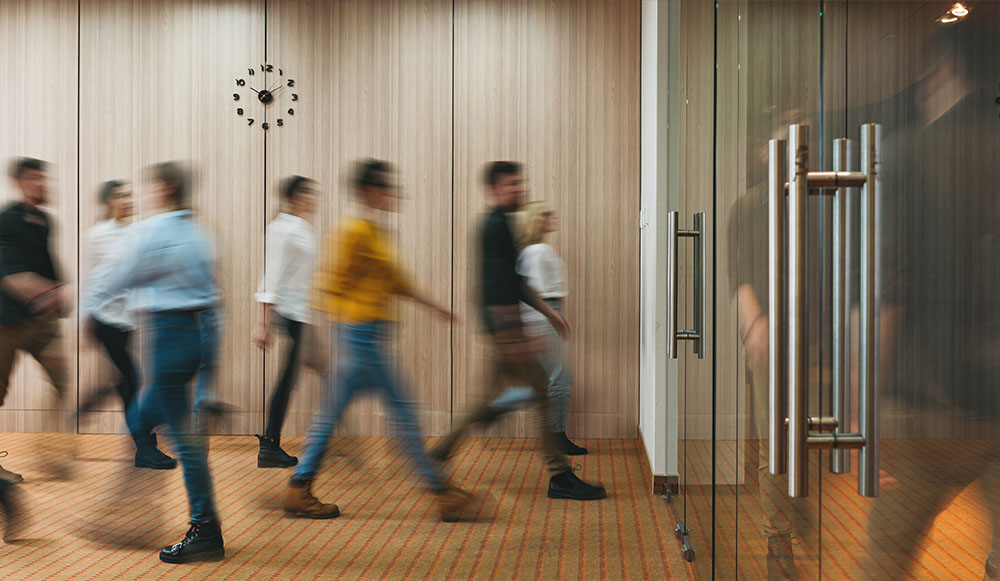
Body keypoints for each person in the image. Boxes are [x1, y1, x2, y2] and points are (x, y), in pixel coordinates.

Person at [283, 159, 471, 522]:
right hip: (358, 339)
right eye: (387, 187)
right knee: (403, 412)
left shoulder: (374, 231)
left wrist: (433, 306)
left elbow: (394, 281)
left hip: (364, 337)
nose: (393, 194)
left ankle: (299, 487)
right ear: (371, 190)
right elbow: (326, 286)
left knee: (330, 416)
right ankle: (442, 493)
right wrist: (318, 341)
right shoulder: (350, 231)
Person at [429, 161, 605, 501]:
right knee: (539, 393)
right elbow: (494, 290)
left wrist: (550, 315)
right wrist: (514, 337)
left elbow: (516, 284)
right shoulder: (493, 227)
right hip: (504, 333)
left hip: (504, 332)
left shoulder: (503, 226)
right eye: (512, 184)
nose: (519, 189)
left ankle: (440, 452)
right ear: (494, 189)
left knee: (492, 399)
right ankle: (559, 475)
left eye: (520, 183)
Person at [83, 161, 223, 564]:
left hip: (166, 342)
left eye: (146, 188)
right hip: (196, 335)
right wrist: (210, 373)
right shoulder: (199, 233)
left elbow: (115, 277)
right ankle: (126, 514)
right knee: (143, 422)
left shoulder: (152, 231)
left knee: (183, 440)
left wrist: (84, 317)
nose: (140, 195)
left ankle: (204, 528)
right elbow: (215, 297)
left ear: (164, 188)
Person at [79, 180, 175, 469]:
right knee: (132, 380)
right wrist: (85, 320)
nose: (127, 200)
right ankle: (145, 448)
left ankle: (94, 402)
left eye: (129, 195)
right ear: (108, 202)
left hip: (128, 321)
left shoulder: (135, 233)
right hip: (105, 319)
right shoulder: (99, 235)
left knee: (126, 381)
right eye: (121, 196)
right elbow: (96, 280)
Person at [488, 201, 586, 455]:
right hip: (544, 317)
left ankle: (496, 406)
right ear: (535, 220)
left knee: (543, 382)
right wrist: (555, 318)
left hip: (545, 316)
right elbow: (535, 294)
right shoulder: (536, 252)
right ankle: (556, 436)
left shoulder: (535, 250)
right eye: (545, 214)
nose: (551, 217)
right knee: (561, 379)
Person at [0, 157, 72, 486]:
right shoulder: (6, 221)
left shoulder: (44, 220)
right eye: (34, 179)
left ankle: (48, 450)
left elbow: (47, 267)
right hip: (5, 323)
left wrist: (58, 300)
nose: (41, 185)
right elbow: (14, 278)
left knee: (61, 380)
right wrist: (57, 292)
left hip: (40, 323)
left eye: (44, 179)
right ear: (19, 183)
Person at [252, 175, 319, 467]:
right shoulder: (281, 229)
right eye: (308, 193)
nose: (313, 198)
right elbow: (271, 276)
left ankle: (271, 444)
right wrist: (262, 323)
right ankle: (269, 445)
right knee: (290, 378)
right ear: (293, 197)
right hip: (290, 313)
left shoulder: (302, 228)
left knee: (293, 377)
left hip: (302, 313)